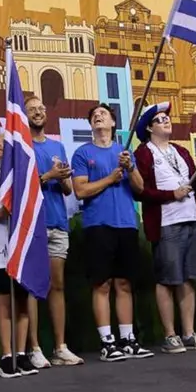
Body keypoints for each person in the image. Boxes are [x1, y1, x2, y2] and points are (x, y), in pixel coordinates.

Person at [131, 102, 196, 353]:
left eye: (166, 117)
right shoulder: (144, 153)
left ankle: (188, 333)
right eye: (159, 119)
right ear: (148, 128)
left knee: (188, 278)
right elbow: (141, 192)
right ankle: (170, 334)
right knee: (167, 279)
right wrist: (171, 194)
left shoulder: (181, 151)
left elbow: (195, 189)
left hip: (189, 218)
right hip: (166, 222)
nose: (166, 121)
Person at [71, 103, 152, 361]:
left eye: (103, 114)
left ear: (113, 123)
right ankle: (107, 342)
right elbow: (81, 191)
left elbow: (139, 188)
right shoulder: (83, 153)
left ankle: (128, 338)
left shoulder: (125, 152)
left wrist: (130, 168)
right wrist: (109, 178)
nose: (98, 116)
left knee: (125, 283)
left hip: (126, 223)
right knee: (102, 284)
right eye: (93, 115)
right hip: (98, 225)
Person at [23, 96, 82, 367]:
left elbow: (68, 189)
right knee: (33, 288)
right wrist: (47, 176)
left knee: (57, 285)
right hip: (33, 224)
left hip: (58, 222)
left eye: (41, 109)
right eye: (32, 109)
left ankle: (60, 347)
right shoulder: (21, 147)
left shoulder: (58, 145)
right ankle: (34, 348)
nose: (38, 112)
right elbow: (22, 187)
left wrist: (62, 177)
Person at [0, 135, 40, 379]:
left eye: (4, 143)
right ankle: (6, 356)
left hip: (22, 249)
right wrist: (1, 213)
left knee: (22, 301)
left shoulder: (26, 179)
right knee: (5, 301)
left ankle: (21, 354)